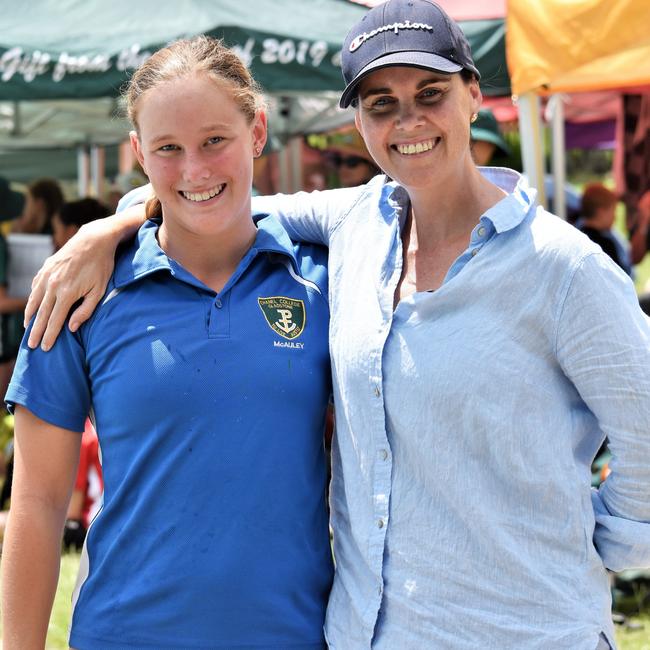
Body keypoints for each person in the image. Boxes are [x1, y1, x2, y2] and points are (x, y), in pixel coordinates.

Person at [21, 1, 650, 648]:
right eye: (381, 104)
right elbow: (206, 193)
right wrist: (106, 230)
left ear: (473, 96)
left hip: (524, 630)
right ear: (358, 121)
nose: (408, 120)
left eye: (429, 93)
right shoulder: (353, 223)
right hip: (370, 633)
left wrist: (600, 543)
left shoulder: (564, 268)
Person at [2, 36, 333, 650]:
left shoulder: (324, 279)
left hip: (294, 635)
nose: (195, 170)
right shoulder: (80, 293)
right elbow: (39, 502)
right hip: (123, 634)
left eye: (215, 140)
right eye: (168, 149)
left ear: (257, 131)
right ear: (138, 154)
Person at [574, 183, 633, 276]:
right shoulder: (606, 245)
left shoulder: (575, 236)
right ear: (601, 212)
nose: (615, 216)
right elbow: (623, 280)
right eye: (613, 211)